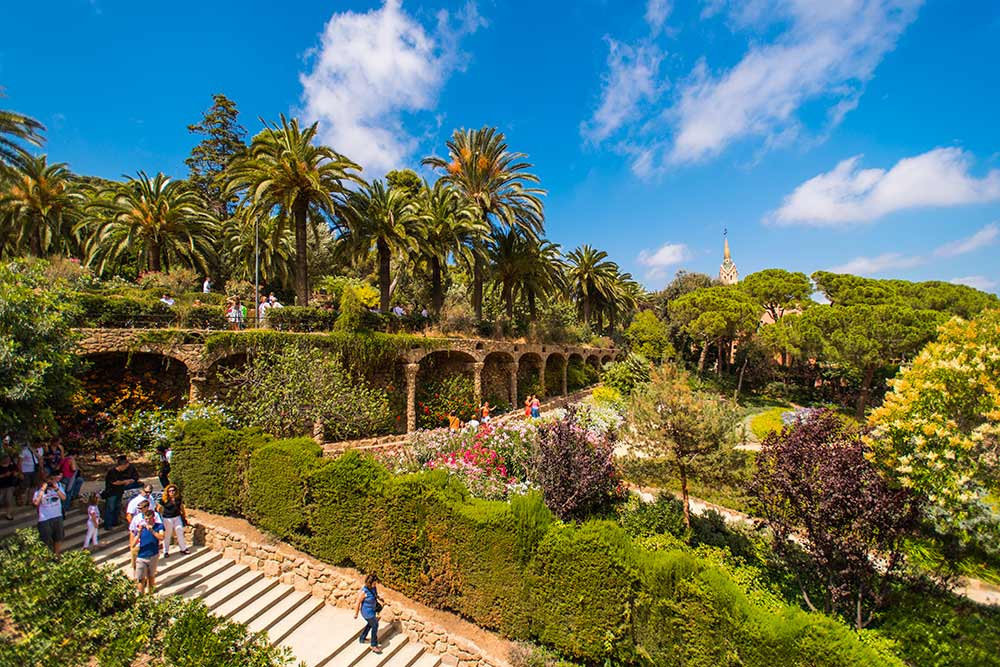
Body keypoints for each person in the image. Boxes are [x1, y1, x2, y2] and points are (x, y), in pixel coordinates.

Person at [131, 508, 165, 594]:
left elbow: (161, 537)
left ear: (153, 518)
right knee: (140, 579)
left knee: (151, 577)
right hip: (141, 556)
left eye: (149, 518)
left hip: (153, 555)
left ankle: (150, 595)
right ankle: (141, 597)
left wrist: (152, 531)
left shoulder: (159, 526)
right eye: (146, 519)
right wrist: (138, 533)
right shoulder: (141, 527)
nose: (148, 521)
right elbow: (133, 544)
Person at [33, 472, 66, 554]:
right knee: (46, 539)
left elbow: (63, 498)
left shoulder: (58, 487)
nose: (50, 482)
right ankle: (48, 555)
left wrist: (56, 488)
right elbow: (36, 503)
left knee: (59, 537)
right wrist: (42, 490)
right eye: (48, 481)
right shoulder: (39, 491)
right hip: (45, 518)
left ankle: (56, 554)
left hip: (57, 516)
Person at [103, 456, 139, 529]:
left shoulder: (120, 472)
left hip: (119, 492)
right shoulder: (112, 472)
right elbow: (115, 482)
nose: (126, 469)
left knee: (117, 508)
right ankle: (108, 524)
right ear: (122, 465)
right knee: (110, 508)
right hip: (111, 493)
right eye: (125, 467)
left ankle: (114, 522)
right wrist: (125, 482)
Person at [157, 484, 189, 558]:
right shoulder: (164, 500)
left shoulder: (178, 499)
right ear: (167, 492)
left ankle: (183, 548)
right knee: (168, 534)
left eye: (173, 490)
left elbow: (181, 508)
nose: (172, 492)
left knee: (179, 531)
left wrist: (184, 516)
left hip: (177, 517)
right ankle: (166, 551)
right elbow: (158, 509)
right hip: (167, 518)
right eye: (170, 491)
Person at [353, 573, 383, 653]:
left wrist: (379, 598)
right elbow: (358, 602)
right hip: (366, 612)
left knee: (371, 624)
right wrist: (356, 614)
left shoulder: (374, 588)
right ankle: (373, 645)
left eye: (375, 583)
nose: (375, 584)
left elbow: (375, 595)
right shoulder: (364, 592)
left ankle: (362, 638)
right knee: (375, 625)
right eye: (374, 583)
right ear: (370, 583)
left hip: (372, 610)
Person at [17, 440, 43, 506]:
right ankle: (20, 499)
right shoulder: (24, 451)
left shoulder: (39, 450)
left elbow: (40, 459)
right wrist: (20, 472)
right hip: (26, 471)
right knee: (24, 486)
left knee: (33, 486)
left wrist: (41, 469)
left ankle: (30, 499)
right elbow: (19, 462)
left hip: (34, 470)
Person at [0, 454, 17, 520]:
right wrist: (4, 475)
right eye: (7, 459)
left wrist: (16, 474)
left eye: (9, 459)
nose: (8, 460)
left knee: (9, 500)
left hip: (9, 486)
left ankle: (8, 514)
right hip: (1, 486)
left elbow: (16, 472)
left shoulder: (11, 466)